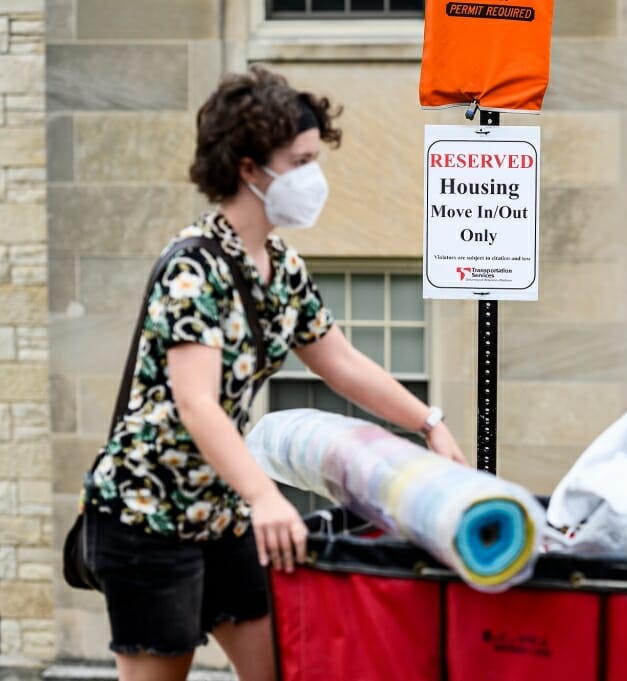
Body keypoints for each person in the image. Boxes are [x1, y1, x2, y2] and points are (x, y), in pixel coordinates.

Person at [79, 65, 467, 681]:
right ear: (248, 168)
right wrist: (266, 498)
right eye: (300, 161)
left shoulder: (281, 266)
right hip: (149, 517)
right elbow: (197, 403)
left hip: (224, 511)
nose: (314, 178)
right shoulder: (194, 271)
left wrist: (429, 422)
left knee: (280, 669)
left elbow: (339, 362)